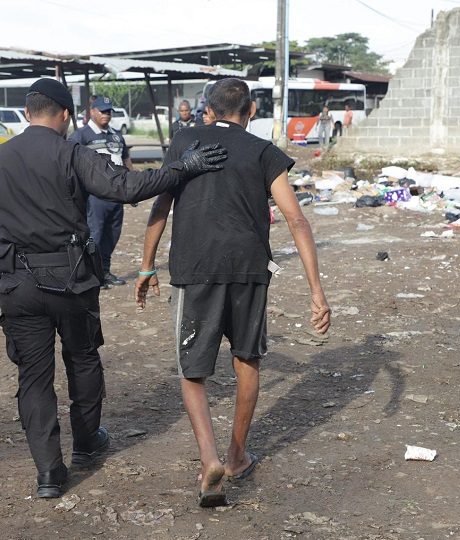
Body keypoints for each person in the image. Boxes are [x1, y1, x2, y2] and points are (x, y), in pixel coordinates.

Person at [0, 78, 227, 499]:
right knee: (82, 358)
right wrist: (184, 167)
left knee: (34, 377)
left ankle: (49, 475)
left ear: (25, 114)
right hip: (70, 280)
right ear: (65, 115)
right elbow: (125, 188)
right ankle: (88, 441)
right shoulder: (71, 153)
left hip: (17, 283)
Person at [134, 78, 331, 508]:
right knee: (247, 359)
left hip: (195, 268)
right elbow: (296, 220)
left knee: (193, 370)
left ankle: (209, 459)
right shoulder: (263, 152)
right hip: (249, 269)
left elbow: (161, 206)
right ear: (252, 110)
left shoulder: (185, 141)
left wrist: (147, 266)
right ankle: (236, 454)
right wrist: (317, 291)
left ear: (207, 108)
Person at [70, 96, 133, 288]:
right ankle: (93, 275)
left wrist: (132, 188)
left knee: (112, 234)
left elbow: (126, 159)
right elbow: (70, 162)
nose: (107, 114)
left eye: (109, 111)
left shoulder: (116, 135)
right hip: (95, 196)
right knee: (95, 235)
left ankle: (105, 271)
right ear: (92, 112)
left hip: (117, 194)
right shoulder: (81, 135)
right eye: (102, 111)